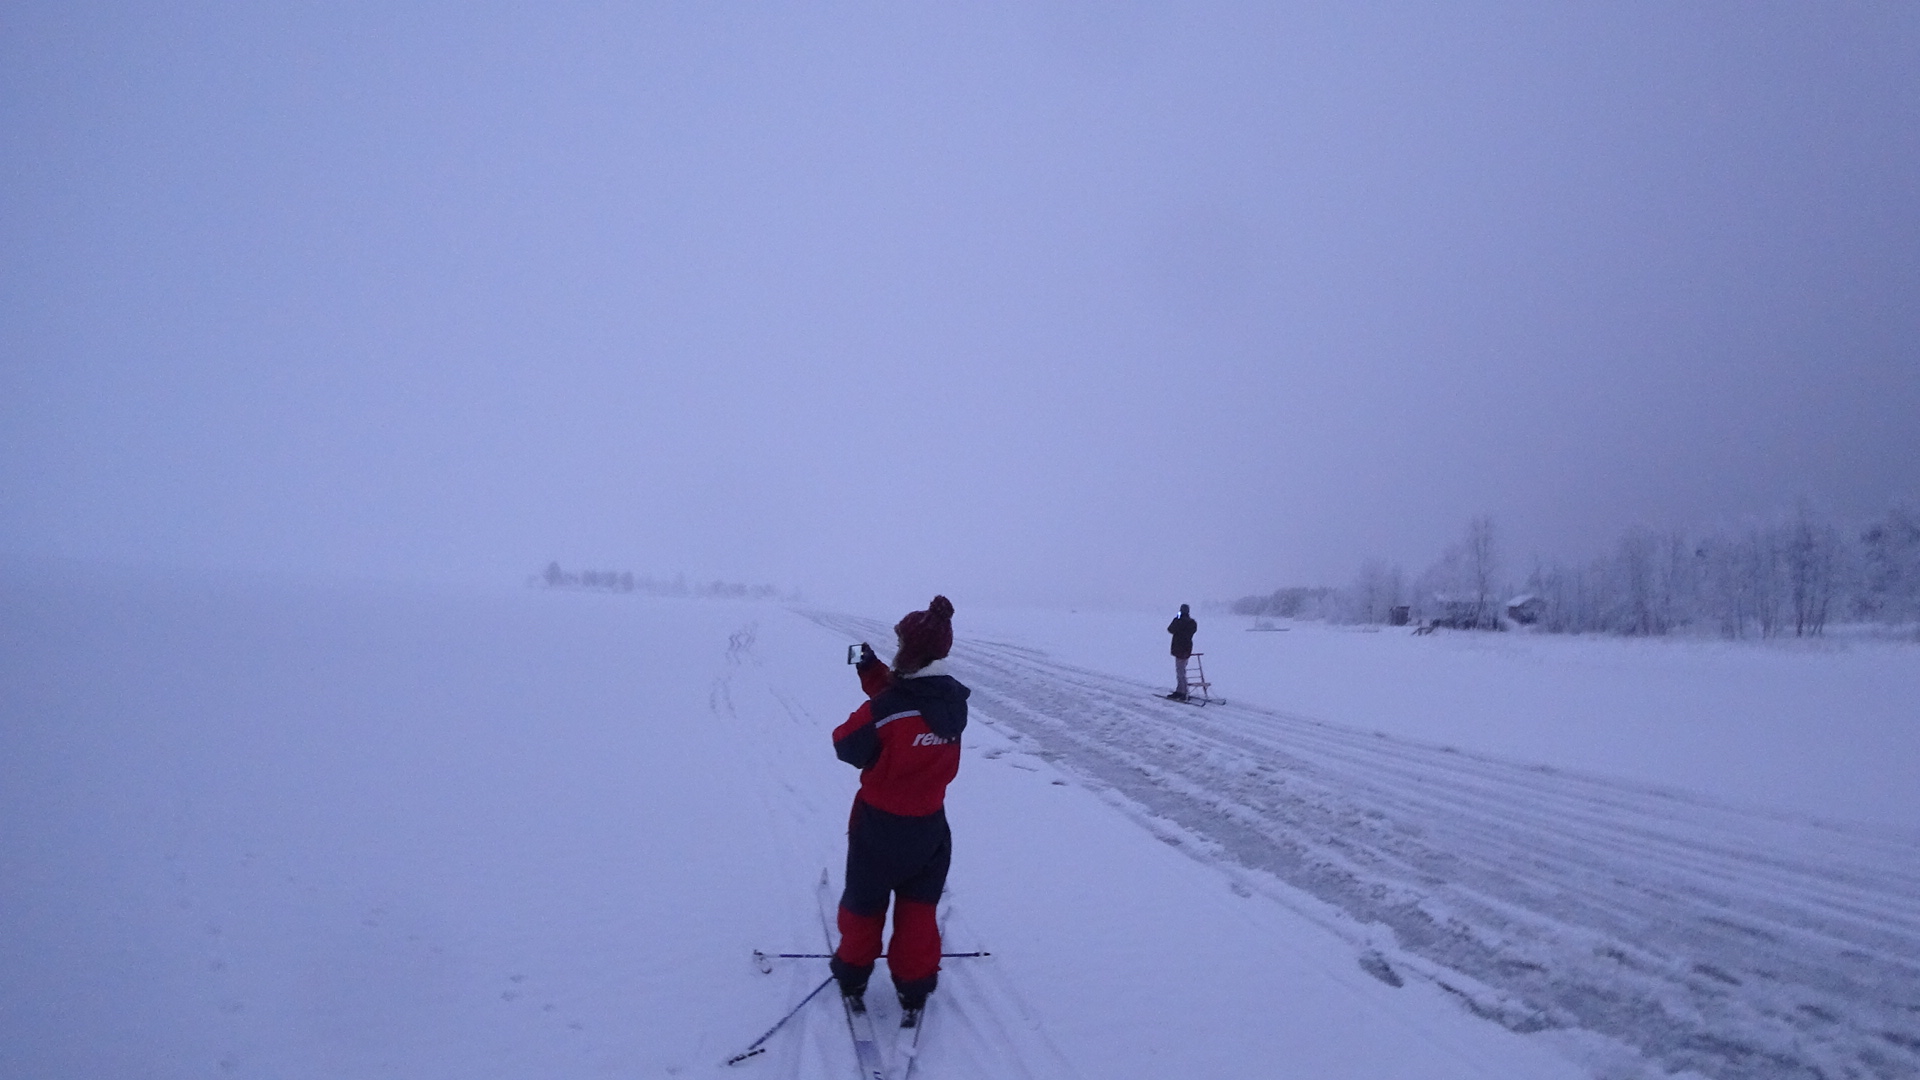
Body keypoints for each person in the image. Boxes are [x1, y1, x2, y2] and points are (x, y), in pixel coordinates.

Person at [829, 595, 970, 1018]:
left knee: (864, 905)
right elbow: (912, 704)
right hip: (929, 829)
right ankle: (914, 988)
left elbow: (845, 743)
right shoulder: (951, 704)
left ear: (908, 650)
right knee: (918, 910)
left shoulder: (888, 709)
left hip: (878, 828)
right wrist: (870, 671)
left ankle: (853, 976)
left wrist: (875, 705)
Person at [1167, 603, 1198, 700]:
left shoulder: (1179, 621)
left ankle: (1183, 692)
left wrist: (1177, 619)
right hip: (1187, 648)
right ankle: (1180, 690)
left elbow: (1170, 629)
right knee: (1181, 671)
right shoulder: (1192, 623)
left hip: (1179, 648)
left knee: (1180, 672)